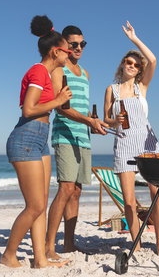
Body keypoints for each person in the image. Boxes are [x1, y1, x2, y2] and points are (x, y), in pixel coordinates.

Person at [0, 15, 73, 269]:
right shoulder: (38, 71)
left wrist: (59, 99)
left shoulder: (49, 73)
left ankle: (40, 260)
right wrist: (59, 100)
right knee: (35, 206)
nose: (70, 53)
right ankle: (9, 254)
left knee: (40, 204)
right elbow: (28, 109)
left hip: (41, 138)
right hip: (27, 136)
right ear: (56, 51)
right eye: (67, 50)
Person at [45, 25, 108, 259]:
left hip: (83, 137)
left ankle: (69, 244)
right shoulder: (59, 71)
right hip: (65, 135)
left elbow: (83, 107)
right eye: (74, 44)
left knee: (77, 191)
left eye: (82, 44)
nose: (79, 48)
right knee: (65, 189)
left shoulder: (86, 73)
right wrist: (89, 121)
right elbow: (62, 108)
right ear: (64, 45)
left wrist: (95, 123)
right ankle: (49, 247)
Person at [103, 21, 159, 256]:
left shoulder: (143, 87)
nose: (131, 66)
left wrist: (134, 39)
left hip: (146, 143)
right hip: (123, 143)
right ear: (122, 65)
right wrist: (114, 122)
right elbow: (106, 118)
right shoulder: (112, 89)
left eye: (136, 64)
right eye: (128, 62)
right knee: (128, 201)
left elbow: (154, 60)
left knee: (155, 193)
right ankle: (136, 243)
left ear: (140, 69)